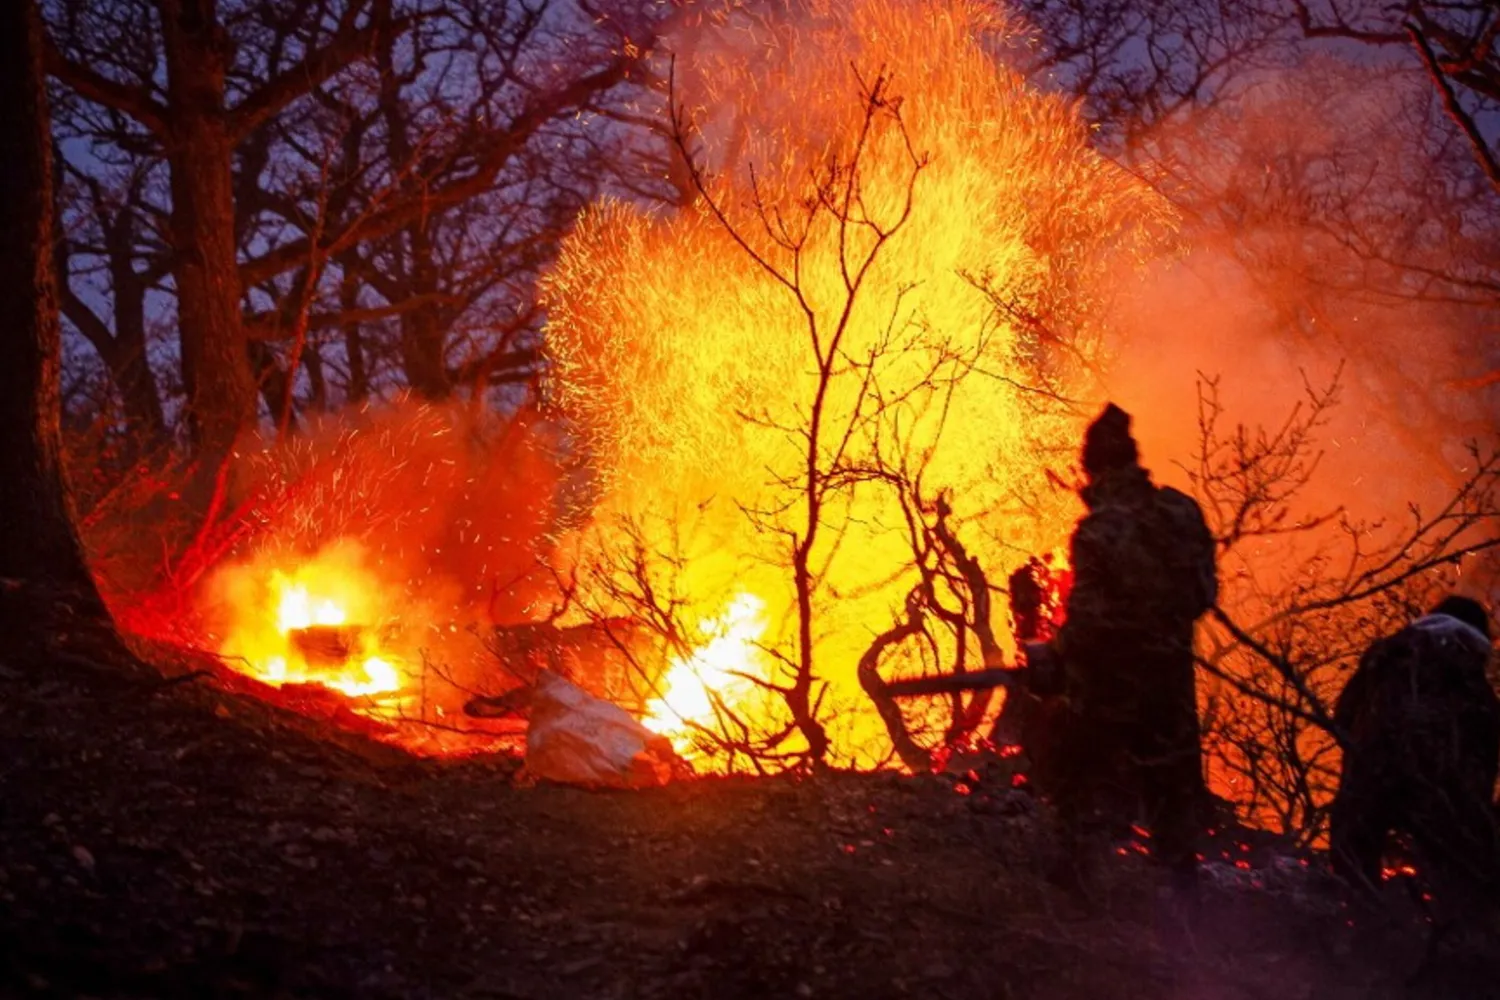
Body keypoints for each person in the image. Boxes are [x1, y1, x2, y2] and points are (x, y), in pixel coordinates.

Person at [1029, 403, 1218, 893]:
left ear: (1094, 468)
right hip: (1172, 683)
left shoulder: (1098, 530)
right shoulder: (1180, 513)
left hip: (1110, 687)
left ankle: (1074, 880)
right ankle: (1185, 907)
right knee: (1170, 794)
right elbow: (1203, 596)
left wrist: (1054, 654)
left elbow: (1090, 621)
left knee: (1074, 770)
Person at [1330, 595, 1500, 912]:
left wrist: (1365, 760)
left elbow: (1343, 717)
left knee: (1353, 858)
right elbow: (1484, 755)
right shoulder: (1477, 690)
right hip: (1441, 789)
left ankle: (1352, 922)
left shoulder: (1384, 659)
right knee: (1461, 872)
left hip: (1370, 776)